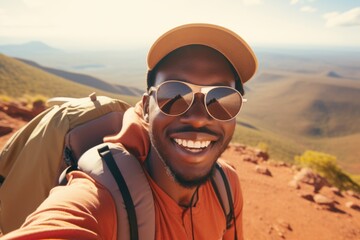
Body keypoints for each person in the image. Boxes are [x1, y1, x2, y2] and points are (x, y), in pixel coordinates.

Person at [1, 23, 257, 240]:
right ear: (146, 108)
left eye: (223, 99)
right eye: (175, 94)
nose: (199, 118)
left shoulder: (226, 186)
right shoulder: (104, 195)